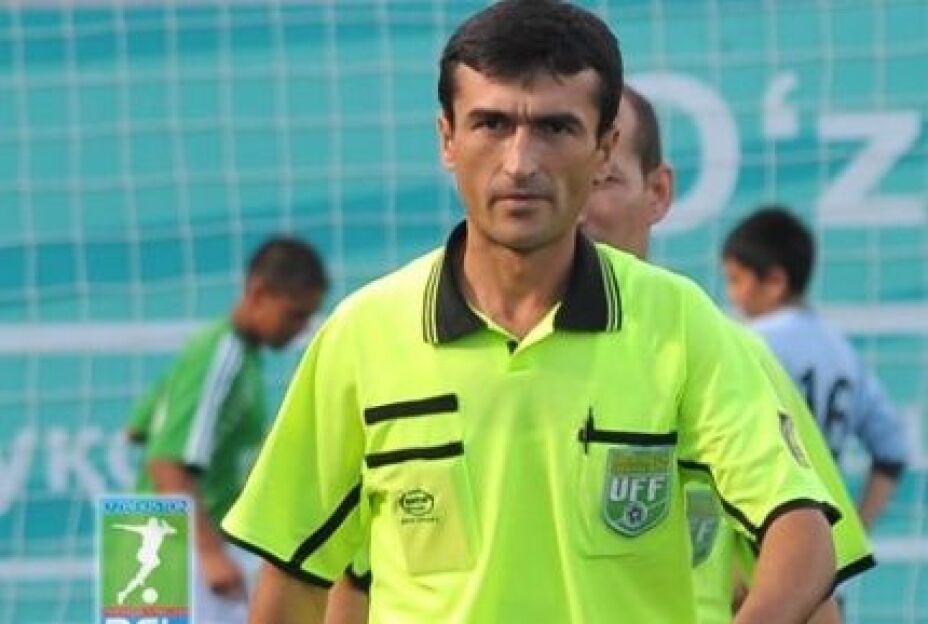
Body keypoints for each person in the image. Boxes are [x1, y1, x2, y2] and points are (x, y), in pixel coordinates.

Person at [222, 2, 838, 622]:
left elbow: (801, 532)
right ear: (447, 138)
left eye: (556, 128)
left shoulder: (678, 321)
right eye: (490, 124)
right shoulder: (364, 333)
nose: (520, 163)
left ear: (604, 149)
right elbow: (296, 578)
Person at [585, 86, 874, 623]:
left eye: (601, 180)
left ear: (658, 191)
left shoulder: (734, 352)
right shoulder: (453, 355)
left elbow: (814, 599)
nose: (573, 204)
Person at [126, 236, 328, 623]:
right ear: (259, 293)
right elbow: (166, 461)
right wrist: (209, 553)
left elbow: (137, 429)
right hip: (169, 545)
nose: (300, 328)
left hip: (148, 537)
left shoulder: (220, 351)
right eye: (294, 314)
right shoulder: (223, 356)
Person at [722, 208, 908, 531]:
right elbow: (892, 450)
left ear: (775, 282)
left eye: (736, 280)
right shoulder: (842, 349)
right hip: (825, 536)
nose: (730, 293)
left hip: (763, 534)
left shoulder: (748, 343)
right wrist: (855, 531)